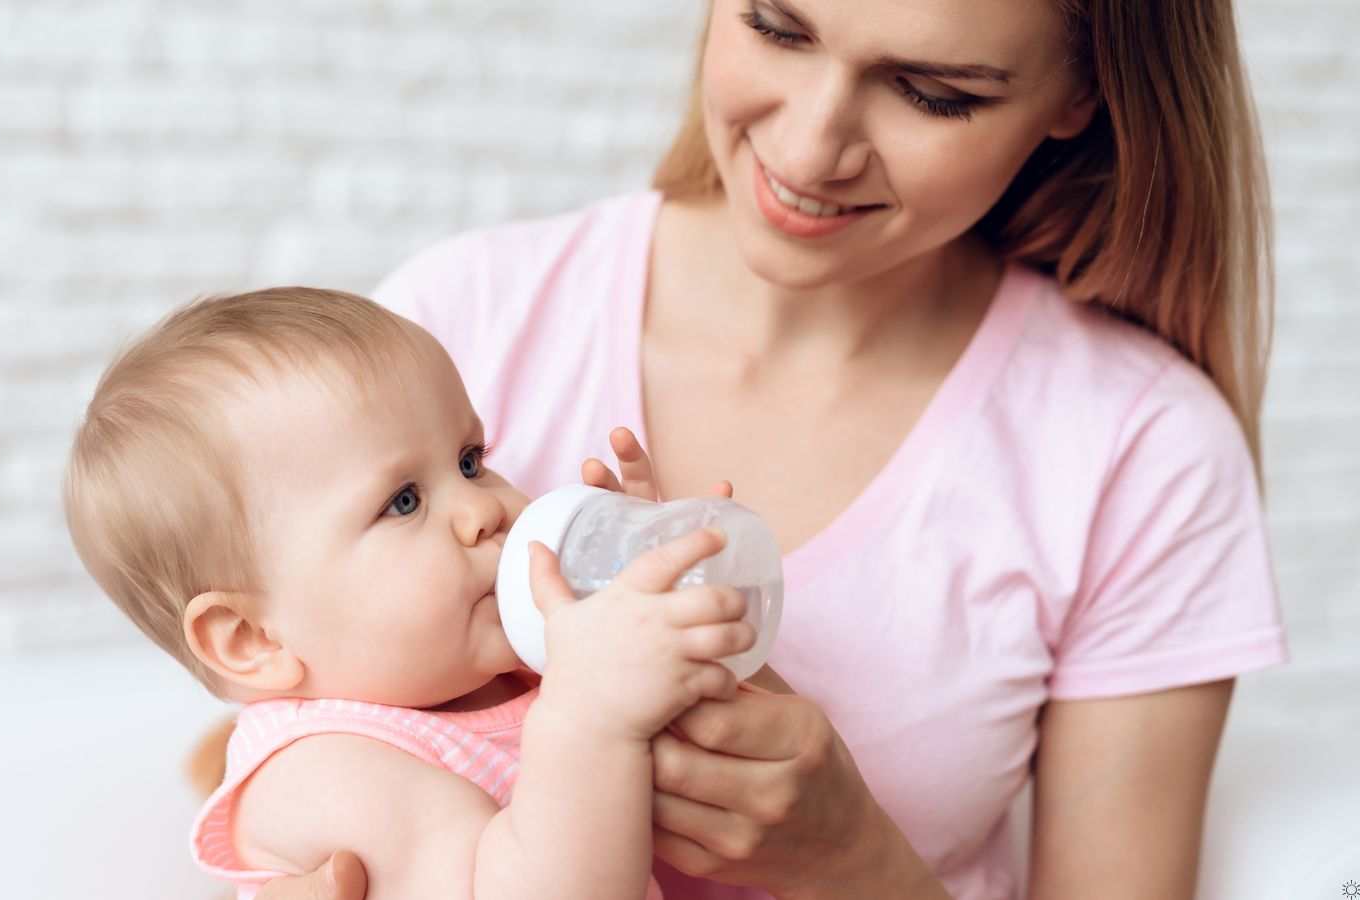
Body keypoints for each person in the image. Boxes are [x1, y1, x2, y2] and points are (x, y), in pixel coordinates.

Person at [252, 0, 1286, 897]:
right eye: (776, 26)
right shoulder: (454, 334)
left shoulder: (1141, 451)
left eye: (932, 92)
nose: (807, 150)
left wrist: (852, 862)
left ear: (1084, 94)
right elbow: (270, 742)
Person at [66, 287, 763, 899]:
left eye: (470, 460)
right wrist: (593, 713)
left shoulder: (509, 668)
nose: (481, 509)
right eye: (403, 502)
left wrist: (638, 589)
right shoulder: (325, 768)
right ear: (254, 640)